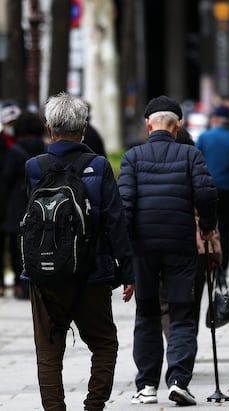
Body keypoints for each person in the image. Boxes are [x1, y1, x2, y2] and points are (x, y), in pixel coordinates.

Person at [22, 92, 135, 411]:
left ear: (49, 128)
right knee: (104, 343)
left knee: (48, 351)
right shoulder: (98, 166)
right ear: (84, 129)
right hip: (92, 273)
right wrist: (128, 272)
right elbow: (115, 221)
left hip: (44, 275)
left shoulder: (34, 167)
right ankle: (93, 406)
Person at [118, 96, 218, 406]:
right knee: (182, 314)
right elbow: (206, 195)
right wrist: (207, 227)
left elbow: (124, 206)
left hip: (143, 249)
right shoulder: (191, 155)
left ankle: (147, 386)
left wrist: (123, 252)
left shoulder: (132, 158)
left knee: (147, 314)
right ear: (178, 126)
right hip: (180, 246)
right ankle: (178, 381)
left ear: (148, 125)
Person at [159, 127, 222, 339]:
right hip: (198, 247)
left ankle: (175, 344)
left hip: (163, 247)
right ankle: (185, 348)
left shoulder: (154, 171)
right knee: (191, 306)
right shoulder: (197, 170)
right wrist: (216, 253)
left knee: (166, 304)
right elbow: (208, 211)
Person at [196, 105, 229, 275]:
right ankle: (222, 267)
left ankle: (207, 263)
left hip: (206, 190)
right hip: (228, 191)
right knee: (226, 230)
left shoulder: (204, 138)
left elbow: (196, 163)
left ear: (215, 120)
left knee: (206, 228)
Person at [1, 111, 47, 299]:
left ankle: (21, 284)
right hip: (41, 203)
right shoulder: (44, 148)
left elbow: (6, 179)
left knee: (17, 246)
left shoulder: (15, 151)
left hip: (18, 205)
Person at [0, 100, 21, 297]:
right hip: (2, 199)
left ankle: (17, 281)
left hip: (16, 200)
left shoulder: (21, 144)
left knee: (16, 244)